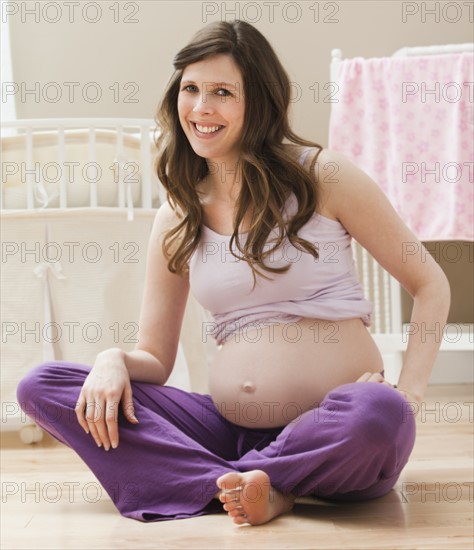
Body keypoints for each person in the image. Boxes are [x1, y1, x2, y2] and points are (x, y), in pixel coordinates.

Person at [17, 20, 450, 526]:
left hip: (336, 430)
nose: (200, 108)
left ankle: (219, 479)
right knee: (42, 385)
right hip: (228, 426)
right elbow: (155, 357)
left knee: (380, 414)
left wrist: (410, 392)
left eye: (222, 92)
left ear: (259, 103)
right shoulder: (178, 216)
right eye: (191, 89)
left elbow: (430, 283)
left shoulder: (323, 177)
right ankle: (259, 484)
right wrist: (113, 359)